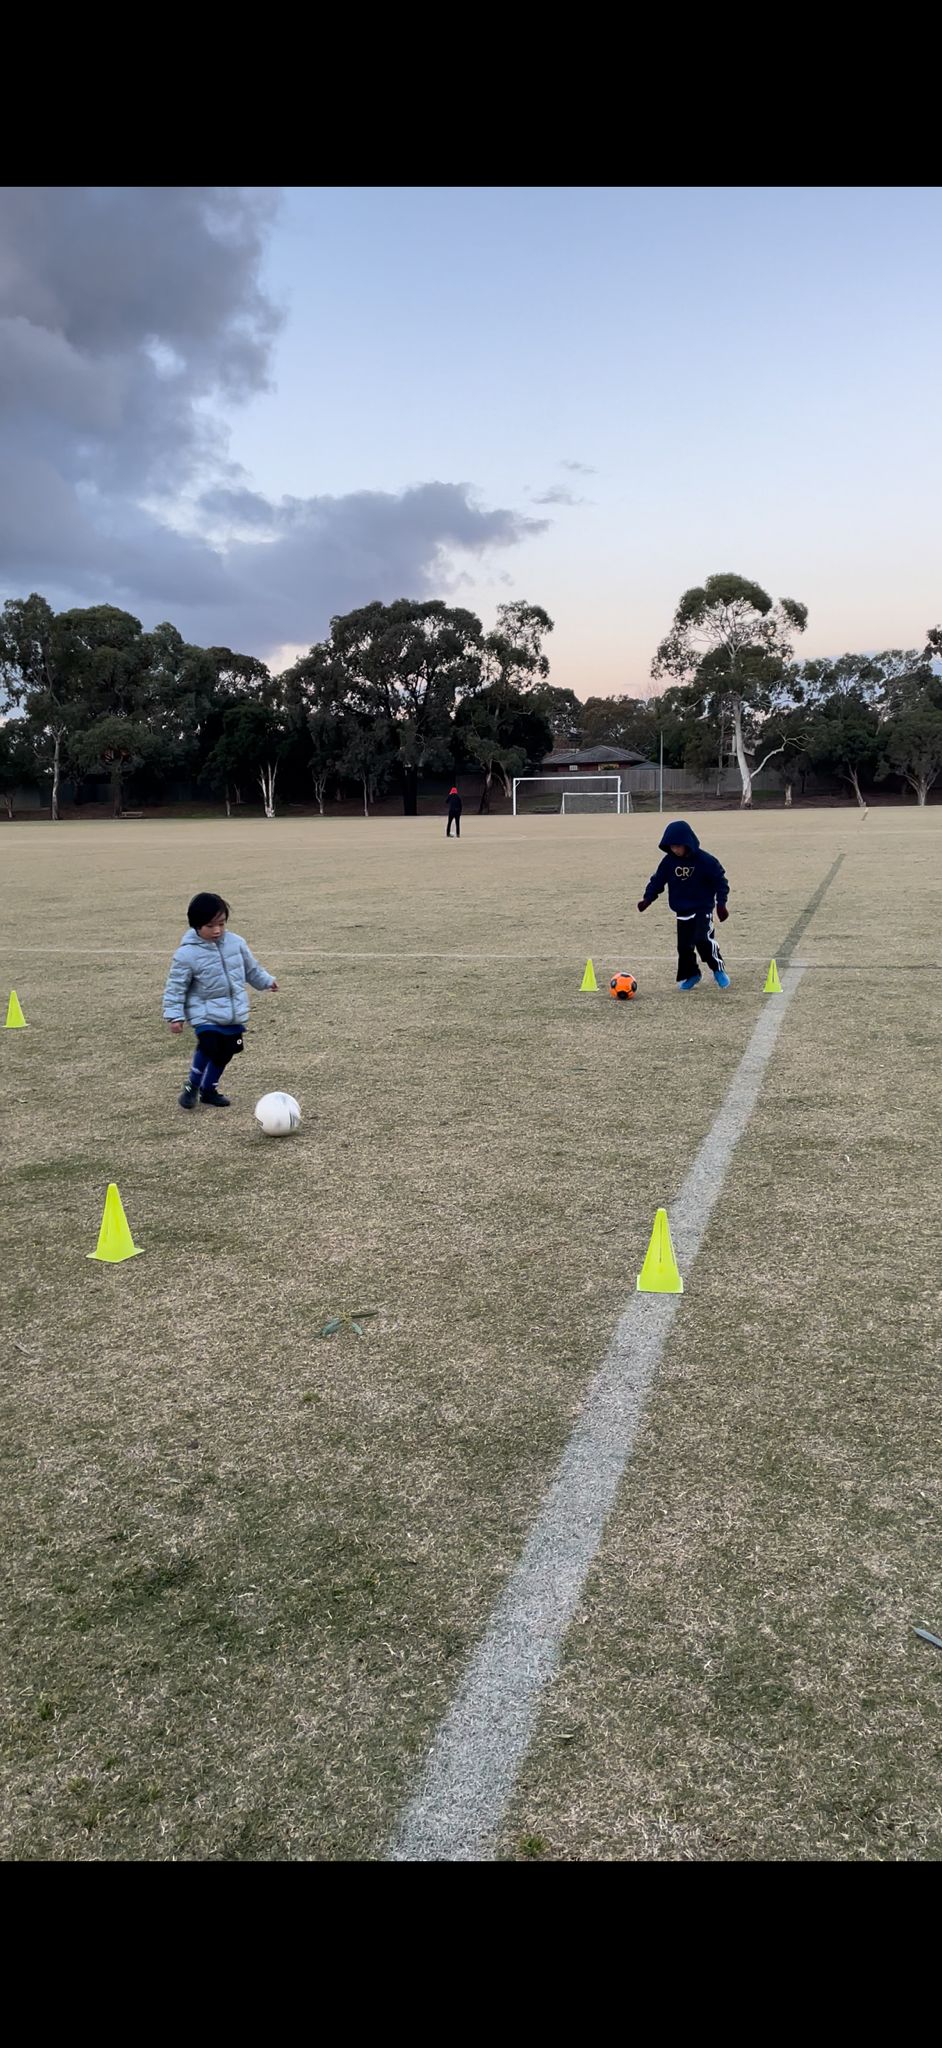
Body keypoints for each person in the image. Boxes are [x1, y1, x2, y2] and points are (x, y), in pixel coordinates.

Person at [163, 891, 279, 1109]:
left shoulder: (236, 943)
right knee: (209, 1046)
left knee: (227, 1052)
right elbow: (176, 987)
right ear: (196, 926)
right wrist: (174, 1016)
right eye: (209, 926)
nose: (216, 930)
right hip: (204, 1013)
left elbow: (251, 969)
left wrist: (266, 981)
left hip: (233, 1011)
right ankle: (192, 1087)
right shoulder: (186, 954)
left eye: (221, 924)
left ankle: (209, 1089)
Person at [637, 819, 731, 990]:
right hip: (682, 910)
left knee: (703, 939)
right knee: (684, 947)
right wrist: (648, 898)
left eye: (678, 846)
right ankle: (692, 974)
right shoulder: (668, 862)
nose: (675, 850)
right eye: (672, 846)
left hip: (702, 908)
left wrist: (721, 904)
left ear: (687, 842)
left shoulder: (705, 860)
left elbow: (721, 881)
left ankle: (718, 969)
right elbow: (658, 880)